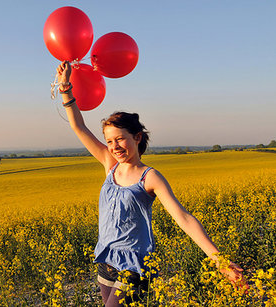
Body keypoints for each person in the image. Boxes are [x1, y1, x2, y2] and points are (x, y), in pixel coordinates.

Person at [55, 61, 246, 306]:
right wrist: (65, 88)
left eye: (120, 139)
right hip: (106, 260)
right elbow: (78, 126)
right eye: (109, 141)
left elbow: (184, 218)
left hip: (135, 265)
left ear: (137, 138)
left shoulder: (150, 177)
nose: (114, 147)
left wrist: (219, 260)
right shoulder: (109, 164)